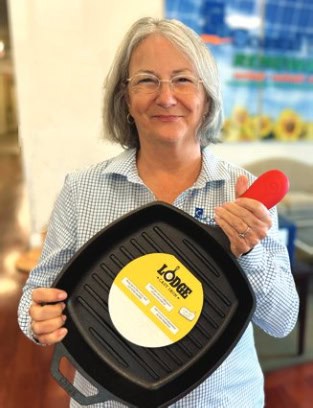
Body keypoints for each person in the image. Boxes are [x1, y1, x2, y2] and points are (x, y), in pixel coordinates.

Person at [18, 16, 299, 408]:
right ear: (126, 99)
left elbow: (282, 320)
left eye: (183, 79)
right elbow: (35, 295)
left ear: (206, 97)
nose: (166, 97)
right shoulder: (83, 190)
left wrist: (250, 253)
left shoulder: (244, 194)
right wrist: (38, 320)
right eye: (147, 80)